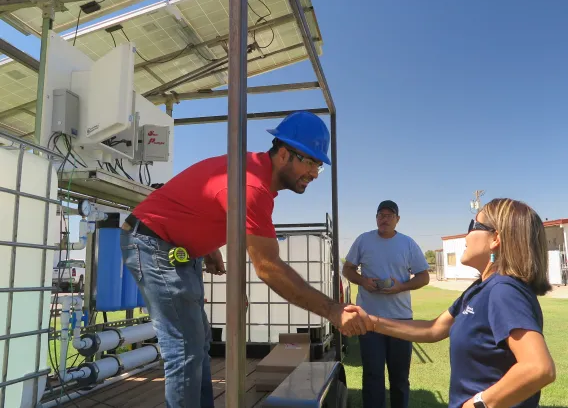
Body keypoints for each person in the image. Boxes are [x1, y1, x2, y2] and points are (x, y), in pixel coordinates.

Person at [119, 111, 372, 408]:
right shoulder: (252, 185)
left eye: (319, 165)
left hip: (178, 250)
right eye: (310, 161)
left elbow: (204, 206)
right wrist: (332, 309)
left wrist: (209, 249)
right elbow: (268, 267)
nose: (315, 173)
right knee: (184, 349)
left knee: (197, 344)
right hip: (153, 244)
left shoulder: (251, 174)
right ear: (283, 154)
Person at [347, 198, 556, 408]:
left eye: (474, 226)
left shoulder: (503, 290)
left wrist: (477, 404)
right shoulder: (480, 288)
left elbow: (538, 368)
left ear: (496, 239)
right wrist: (372, 322)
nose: (467, 235)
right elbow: (434, 329)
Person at [342, 200, 430, 408]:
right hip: (368, 319)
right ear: (376, 219)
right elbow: (347, 269)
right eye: (381, 215)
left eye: (390, 215)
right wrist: (363, 281)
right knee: (373, 375)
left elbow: (424, 276)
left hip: (401, 320)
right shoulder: (363, 240)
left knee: (399, 377)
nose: (385, 219)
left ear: (397, 220)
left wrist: (400, 287)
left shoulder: (408, 243)